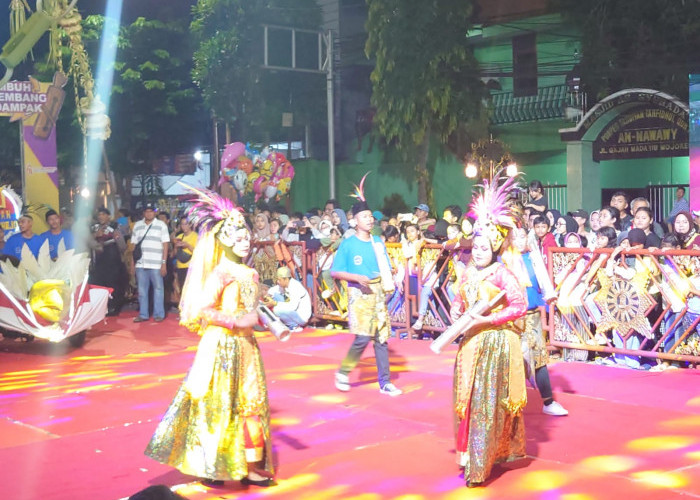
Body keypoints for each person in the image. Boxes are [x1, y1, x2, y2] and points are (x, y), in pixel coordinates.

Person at [145, 189, 274, 487]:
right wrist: (236, 320)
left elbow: (250, 311)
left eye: (246, 238)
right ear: (224, 240)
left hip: (247, 348)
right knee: (216, 405)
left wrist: (263, 321)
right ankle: (209, 464)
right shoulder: (221, 272)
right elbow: (205, 309)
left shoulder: (250, 274)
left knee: (250, 405)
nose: (245, 243)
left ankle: (249, 466)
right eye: (238, 239)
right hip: (220, 347)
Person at [449, 175, 527, 487]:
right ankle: (469, 455)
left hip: (494, 345)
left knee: (485, 404)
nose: (479, 251)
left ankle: (480, 467)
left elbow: (519, 306)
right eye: (476, 246)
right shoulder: (468, 271)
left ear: (494, 248)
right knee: (467, 401)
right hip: (470, 344)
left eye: (484, 247)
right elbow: (458, 300)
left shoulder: (502, 274)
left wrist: (487, 321)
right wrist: (457, 312)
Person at [332, 175, 402, 396]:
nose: (370, 220)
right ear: (355, 221)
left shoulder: (378, 241)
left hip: (378, 293)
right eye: (365, 216)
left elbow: (385, 265)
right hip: (360, 293)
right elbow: (335, 271)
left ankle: (385, 382)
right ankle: (343, 372)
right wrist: (356, 278)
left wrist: (390, 271)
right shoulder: (348, 244)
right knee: (363, 337)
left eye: (371, 216)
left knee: (381, 338)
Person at [505, 227, 568, 416]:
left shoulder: (533, 258)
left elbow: (542, 282)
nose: (519, 241)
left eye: (522, 236)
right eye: (514, 237)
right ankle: (509, 403)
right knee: (512, 360)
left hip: (532, 316)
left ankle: (548, 401)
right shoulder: (504, 261)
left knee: (539, 358)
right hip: (510, 318)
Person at [132, 202, 170, 323]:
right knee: (142, 291)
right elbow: (133, 246)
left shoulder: (161, 225)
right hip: (141, 263)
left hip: (156, 263)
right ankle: (143, 314)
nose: (149, 213)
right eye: (147, 211)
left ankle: (159, 314)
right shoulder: (137, 225)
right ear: (144, 213)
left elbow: (165, 245)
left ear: (155, 212)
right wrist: (132, 264)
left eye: (151, 211)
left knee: (158, 289)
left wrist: (164, 263)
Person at [89, 207, 127, 316]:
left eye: (103, 214)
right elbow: (88, 242)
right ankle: (100, 307)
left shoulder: (115, 227)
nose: (101, 217)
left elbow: (122, 246)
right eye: (99, 215)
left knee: (113, 283)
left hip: (112, 259)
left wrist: (117, 238)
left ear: (108, 216)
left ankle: (114, 306)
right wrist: (96, 235)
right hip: (98, 259)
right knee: (99, 284)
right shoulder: (94, 228)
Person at [263, 266, 311, 331]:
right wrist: (268, 295)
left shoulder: (295, 287)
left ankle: (294, 326)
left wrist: (275, 303)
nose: (278, 282)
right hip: (293, 312)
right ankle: (285, 322)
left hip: (301, 316)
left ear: (286, 279)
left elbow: (292, 307)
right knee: (275, 296)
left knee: (277, 310)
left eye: (279, 280)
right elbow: (274, 290)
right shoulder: (285, 284)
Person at [173, 217, 197, 294]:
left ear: (190, 225)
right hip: (180, 266)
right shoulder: (179, 237)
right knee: (182, 289)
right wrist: (176, 247)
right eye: (182, 224)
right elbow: (174, 253)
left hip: (191, 267)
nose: (184, 226)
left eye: (186, 224)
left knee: (191, 290)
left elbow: (198, 252)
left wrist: (187, 245)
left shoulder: (195, 236)